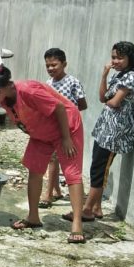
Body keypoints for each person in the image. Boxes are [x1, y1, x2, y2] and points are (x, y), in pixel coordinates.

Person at [0, 65, 87, 244]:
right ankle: (33, 217)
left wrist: (66, 139)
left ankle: (77, 225)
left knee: (72, 174)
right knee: (34, 169)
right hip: (41, 133)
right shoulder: (5, 99)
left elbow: (59, 108)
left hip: (66, 128)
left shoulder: (28, 90)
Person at [64, 41, 134, 222]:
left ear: (130, 58)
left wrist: (110, 100)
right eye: (113, 57)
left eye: (120, 58)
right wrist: (104, 75)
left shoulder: (131, 77)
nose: (115, 61)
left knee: (99, 168)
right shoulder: (119, 75)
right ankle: (97, 207)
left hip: (115, 132)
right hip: (105, 128)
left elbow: (114, 102)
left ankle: (87, 209)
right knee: (96, 166)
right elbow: (102, 97)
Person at [39, 48, 88, 209]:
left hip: (70, 127)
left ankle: (51, 193)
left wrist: (69, 114)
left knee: (67, 160)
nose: (51, 68)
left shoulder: (72, 82)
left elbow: (82, 103)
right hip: (54, 127)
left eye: (54, 65)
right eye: (48, 66)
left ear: (64, 64)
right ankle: (52, 191)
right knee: (53, 159)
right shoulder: (48, 84)